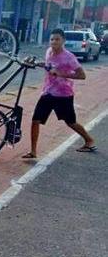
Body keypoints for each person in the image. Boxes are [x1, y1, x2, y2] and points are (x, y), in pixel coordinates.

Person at [22, 28, 95, 159]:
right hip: (48, 92)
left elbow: (82, 75)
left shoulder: (69, 57)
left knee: (70, 122)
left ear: (63, 41)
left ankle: (89, 140)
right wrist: (36, 63)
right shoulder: (49, 52)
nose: (54, 42)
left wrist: (61, 73)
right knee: (35, 120)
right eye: (52, 39)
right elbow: (49, 66)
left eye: (57, 39)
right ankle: (33, 151)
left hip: (63, 95)